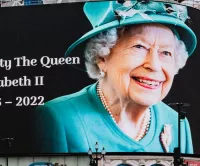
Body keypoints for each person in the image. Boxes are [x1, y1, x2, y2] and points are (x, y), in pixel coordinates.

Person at [33, 0, 196, 153]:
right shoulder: (59, 118)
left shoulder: (177, 123)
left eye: (166, 53)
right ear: (101, 57)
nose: (154, 65)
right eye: (139, 46)